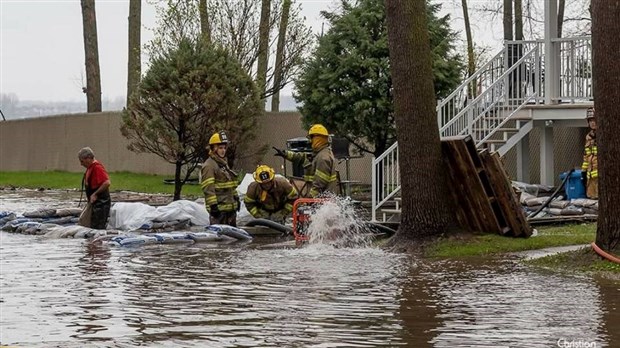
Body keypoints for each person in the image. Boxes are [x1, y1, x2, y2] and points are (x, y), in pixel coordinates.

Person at [273, 124, 338, 198]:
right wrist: (285, 154)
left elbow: (320, 183)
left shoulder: (323, 157)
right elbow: (302, 157)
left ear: (318, 138)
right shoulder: (319, 154)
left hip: (322, 201)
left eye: (311, 138)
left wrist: (310, 198)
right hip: (319, 199)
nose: (310, 141)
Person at [201, 131, 240, 226]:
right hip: (219, 212)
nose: (223, 150)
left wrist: (236, 198)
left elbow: (230, 184)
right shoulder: (209, 166)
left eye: (224, 148)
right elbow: (208, 188)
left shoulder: (223, 164)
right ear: (213, 148)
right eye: (220, 148)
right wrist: (213, 206)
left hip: (230, 211)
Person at [78, 147, 111, 229]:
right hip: (94, 204)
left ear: (88, 158)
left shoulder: (97, 167)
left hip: (101, 204)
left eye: (82, 161)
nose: (81, 164)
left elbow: (107, 183)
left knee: (97, 228)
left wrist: (95, 194)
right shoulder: (90, 168)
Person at [581, 107, 598, 199]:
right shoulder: (588, 137)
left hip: (600, 176)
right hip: (590, 176)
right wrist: (583, 171)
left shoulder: (605, 134)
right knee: (591, 199)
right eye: (590, 120)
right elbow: (586, 156)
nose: (592, 123)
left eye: (594, 120)